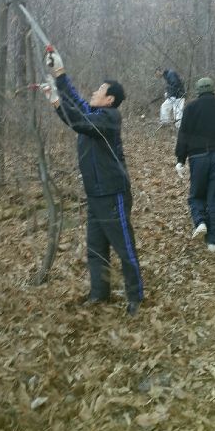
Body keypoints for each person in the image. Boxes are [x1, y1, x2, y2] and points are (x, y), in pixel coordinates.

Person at [40, 46, 144, 315]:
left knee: (124, 247)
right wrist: (58, 79)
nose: (95, 92)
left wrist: (57, 101)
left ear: (109, 100)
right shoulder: (95, 115)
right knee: (96, 248)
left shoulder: (109, 119)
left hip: (113, 194)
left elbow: (78, 121)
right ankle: (100, 293)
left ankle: (136, 296)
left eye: (100, 90)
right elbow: (75, 106)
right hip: (95, 194)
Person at [175, 77, 215, 251]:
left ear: (198, 91)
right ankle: (213, 240)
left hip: (197, 156)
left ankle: (200, 221)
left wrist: (180, 159)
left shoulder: (190, 108)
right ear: (213, 90)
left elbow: (183, 135)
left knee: (197, 194)